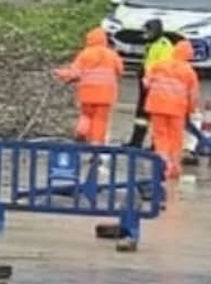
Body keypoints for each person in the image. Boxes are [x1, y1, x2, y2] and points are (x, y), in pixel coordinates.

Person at [146, 38, 201, 180]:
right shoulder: (189, 72)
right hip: (177, 110)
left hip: (157, 106)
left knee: (160, 137)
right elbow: (193, 95)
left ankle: (162, 165)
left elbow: (146, 82)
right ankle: (174, 168)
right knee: (175, 139)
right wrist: (191, 110)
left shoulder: (160, 65)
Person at [56, 27, 124, 144]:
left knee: (86, 116)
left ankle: (81, 132)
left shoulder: (84, 54)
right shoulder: (112, 55)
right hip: (106, 95)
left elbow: (75, 73)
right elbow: (120, 71)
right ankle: (96, 144)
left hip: (87, 93)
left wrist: (61, 74)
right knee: (100, 120)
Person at [128, 18, 178, 147]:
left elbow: (162, 67)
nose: (145, 35)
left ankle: (156, 145)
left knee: (157, 116)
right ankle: (136, 141)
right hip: (147, 83)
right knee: (141, 115)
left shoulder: (163, 45)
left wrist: (149, 79)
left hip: (155, 86)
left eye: (148, 32)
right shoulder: (153, 44)